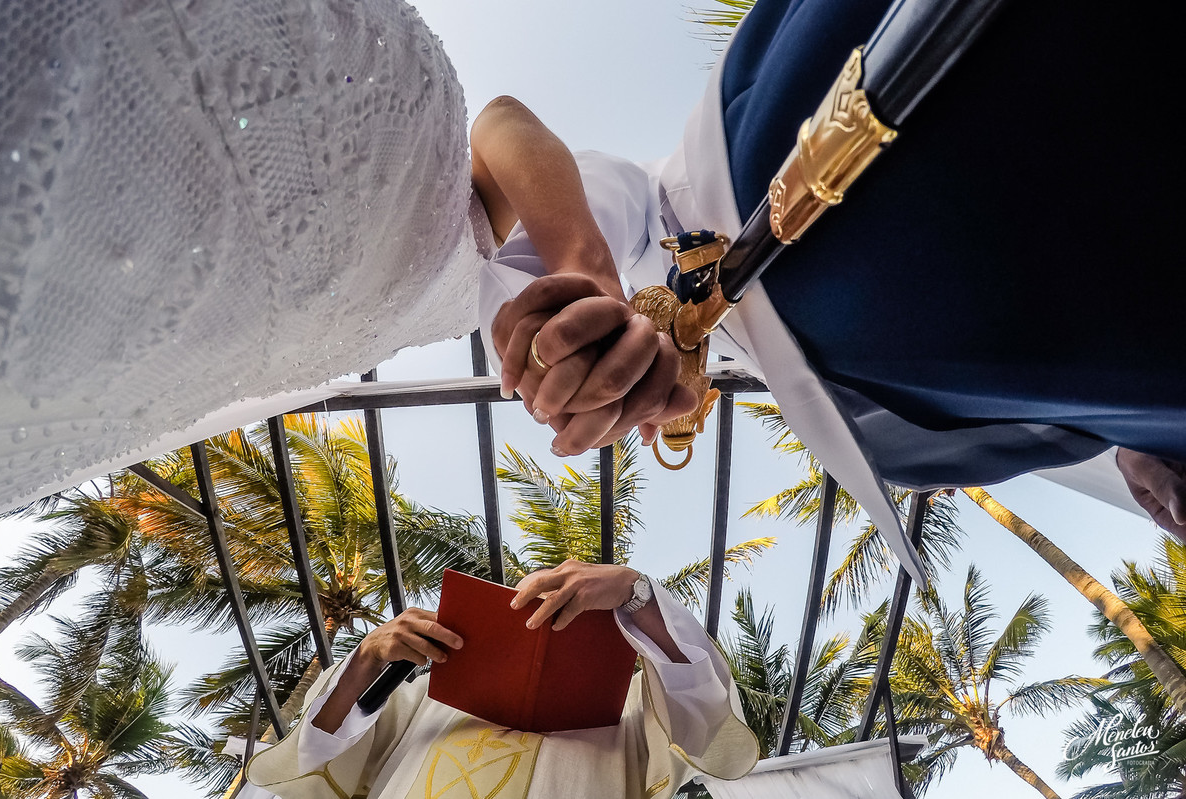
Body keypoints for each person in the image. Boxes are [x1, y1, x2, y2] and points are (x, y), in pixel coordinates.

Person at [474, 0, 1186, 578]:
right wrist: (1121, 437)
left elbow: (502, 125)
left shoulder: (663, 212)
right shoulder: (888, 405)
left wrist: (583, 268)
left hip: (813, 183)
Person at [0, 0, 491, 520]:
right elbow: (502, 127)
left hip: (301, 328)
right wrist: (579, 264)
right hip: (378, 164)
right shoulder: (558, 250)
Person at [244, 560, 758, 798]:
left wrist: (635, 590)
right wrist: (367, 659)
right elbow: (314, 753)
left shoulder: (634, 709)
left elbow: (705, 708)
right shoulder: (421, 697)